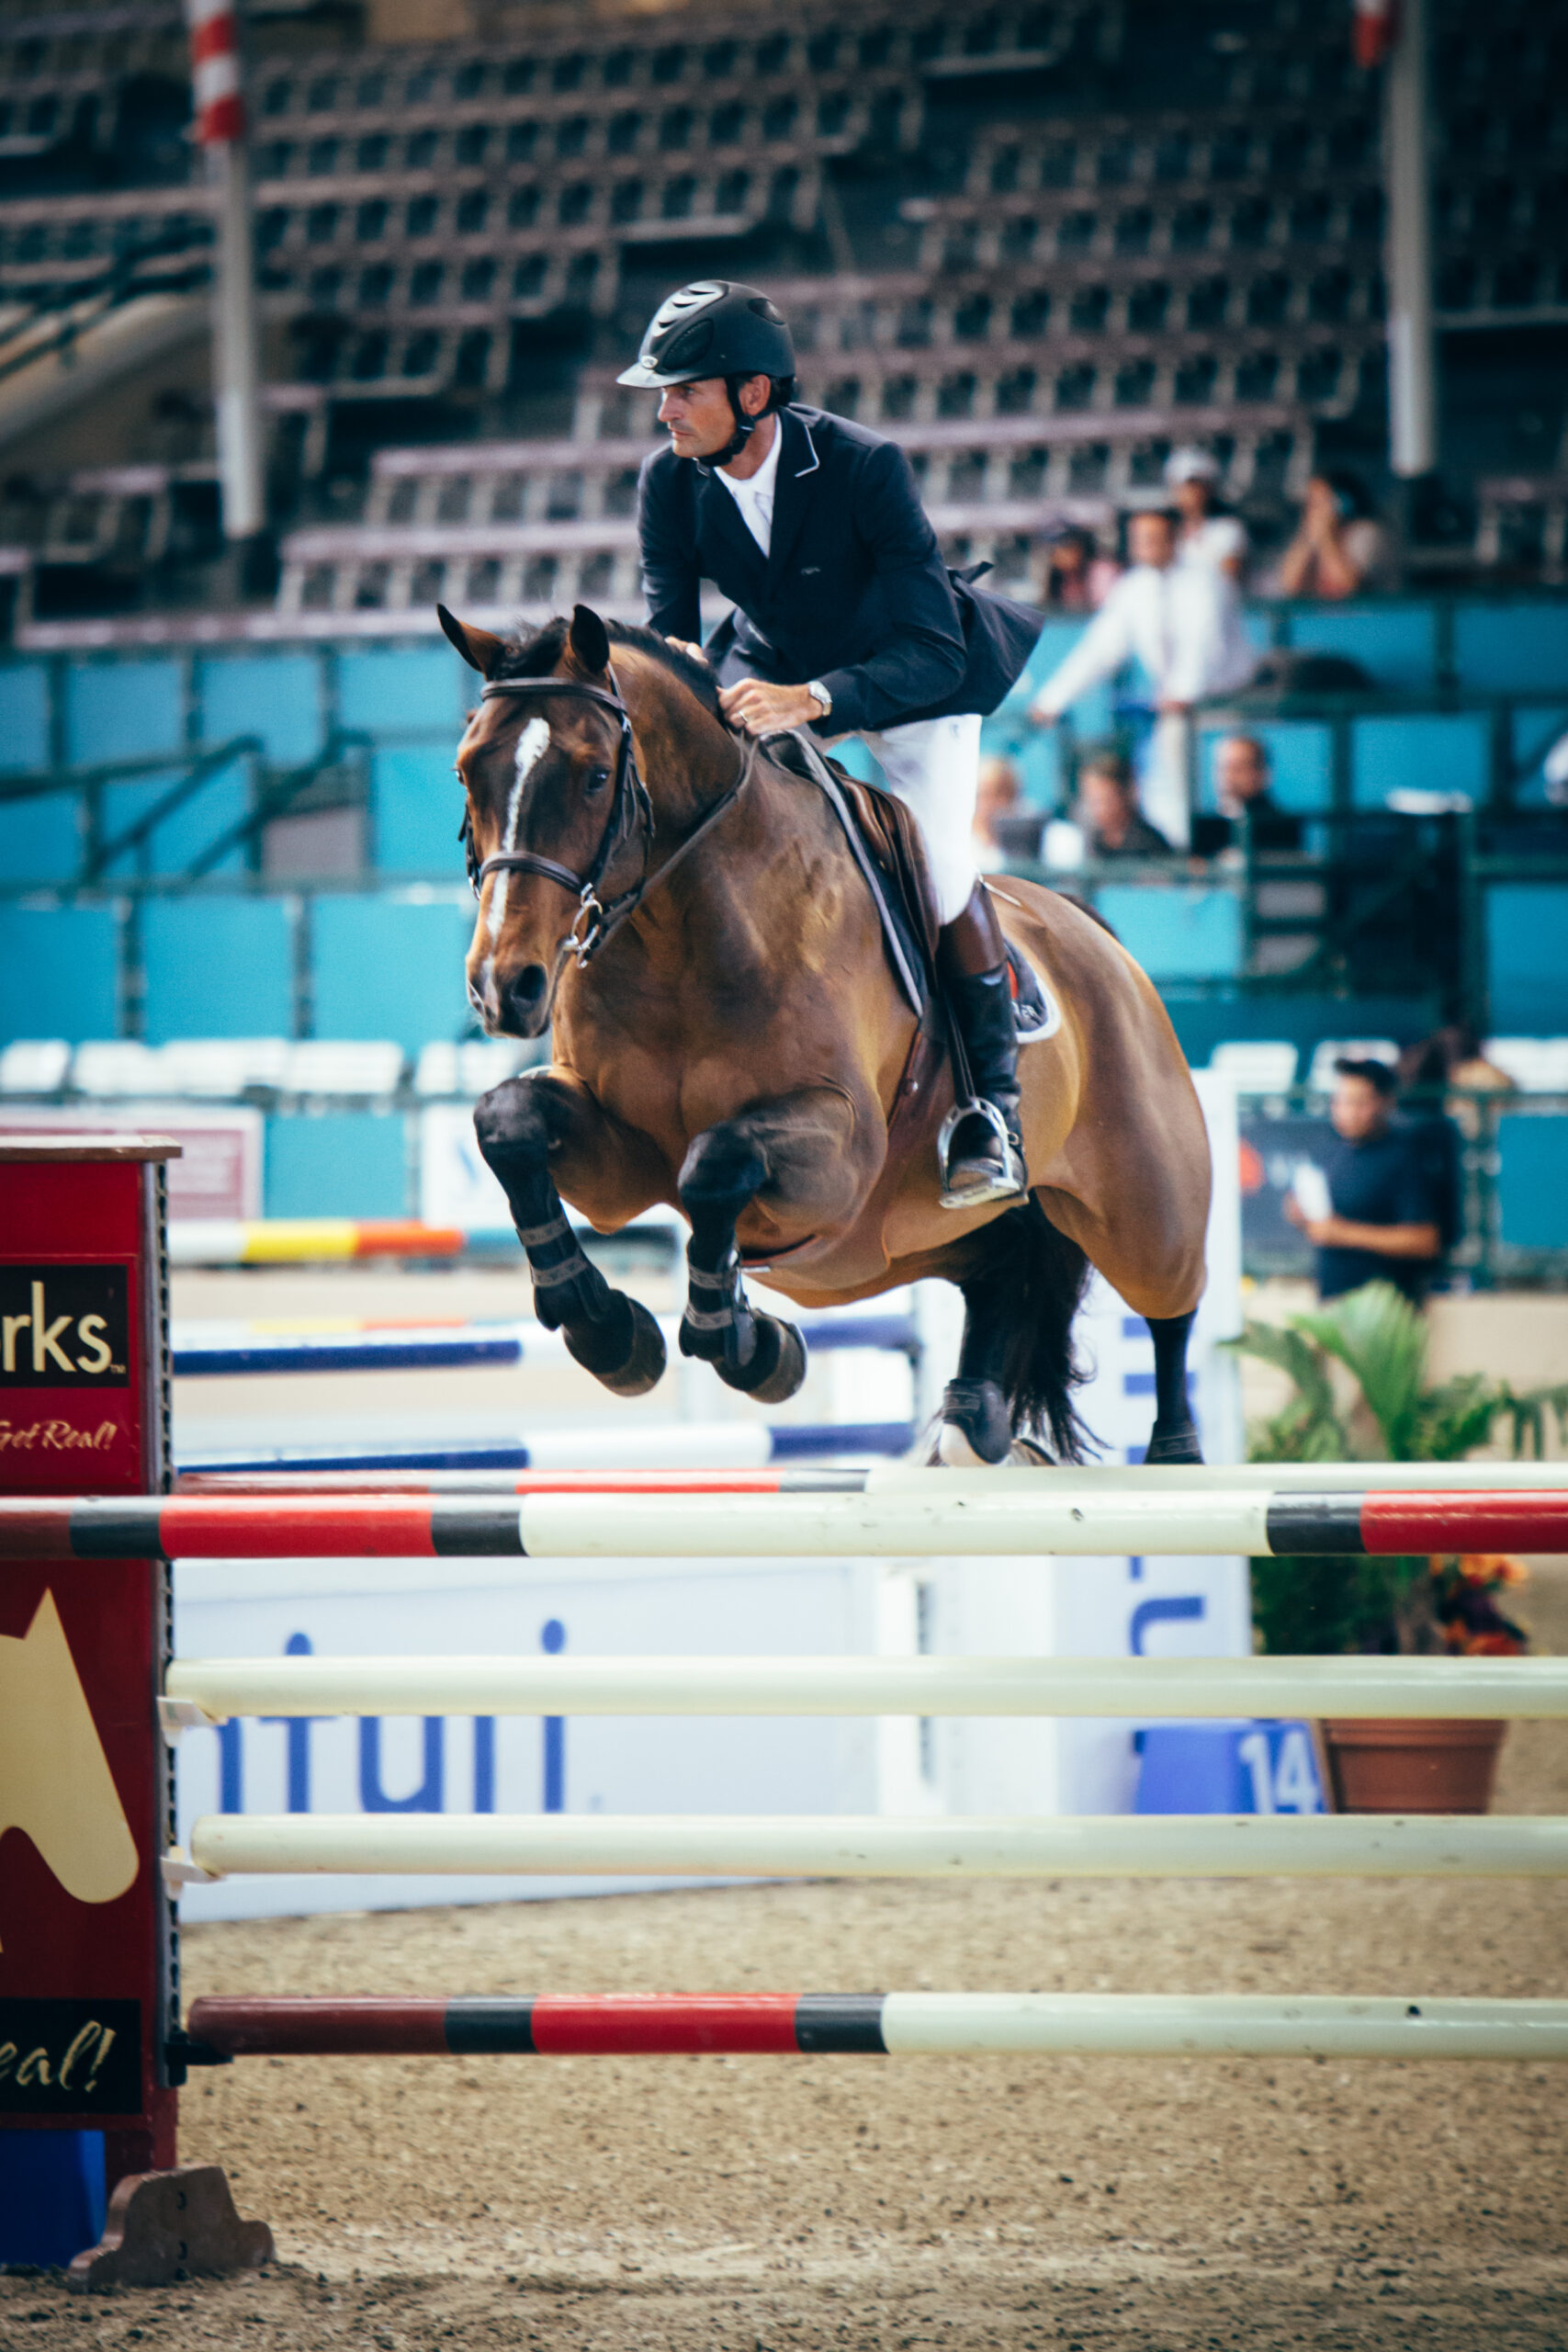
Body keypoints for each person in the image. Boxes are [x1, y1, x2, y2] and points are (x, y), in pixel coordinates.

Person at [627, 280, 1045, 1207]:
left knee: (937, 868)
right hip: (775, 671)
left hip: (909, 680)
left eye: (682, 390)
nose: (664, 411)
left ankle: (992, 1116)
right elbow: (671, 627)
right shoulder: (668, 480)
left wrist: (813, 700)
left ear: (752, 394)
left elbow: (933, 647)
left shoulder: (862, 465)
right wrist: (680, 670)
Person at [1027, 506, 1256, 847]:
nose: (1146, 545)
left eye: (1154, 537)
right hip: (1178, 713)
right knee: (1169, 780)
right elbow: (1098, 650)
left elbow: (1204, 646)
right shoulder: (1134, 588)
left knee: (1226, 790)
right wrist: (1052, 700)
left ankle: (1214, 856)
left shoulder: (1206, 580)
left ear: (1174, 537)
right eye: (1139, 538)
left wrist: (1183, 693)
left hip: (1228, 704)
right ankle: (1183, 852)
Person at [1286, 1057, 1445, 1303]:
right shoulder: (1330, 1152)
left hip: (1382, 1312)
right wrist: (1300, 1213)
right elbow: (1319, 1220)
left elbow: (1425, 1240)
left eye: (1359, 1103)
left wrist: (1343, 1233)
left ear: (1385, 1102)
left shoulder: (1405, 1158)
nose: (1348, 1112)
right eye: (1340, 1101)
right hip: (1333, 1304)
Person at [1274, 470, 1395, 600]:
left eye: (1319, 503)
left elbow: (1351, 589)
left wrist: (1326, 538)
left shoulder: (1367, 533)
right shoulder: (1313, 536)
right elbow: (1289, 586)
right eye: (1310, 503)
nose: (1311, 510)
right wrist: (1307, 541)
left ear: (1343, 504)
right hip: (1323, 618)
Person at [1210, 732, 1303, 852]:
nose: (1229, 776)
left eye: (1239, 768)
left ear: (1261, 773)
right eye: (1224, 767)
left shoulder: (1280, 826)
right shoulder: (1207, 826)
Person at [1166, 449, 1247, 584]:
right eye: (1179, 485)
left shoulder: (1228, 529)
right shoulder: (1169, 532)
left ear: (1209, 487)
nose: (1186, 492)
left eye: (1193, 485)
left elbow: (1229, 579)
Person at [1076, 745, 1171, 859]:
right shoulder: (1095, 841)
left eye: (1107, 800)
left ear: (1127, 795)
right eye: (1093, 801)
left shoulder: (1149, 843)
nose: (1100, 809)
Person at [1038, 521, 1119, 612]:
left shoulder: (1101, 572)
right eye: (1052, 550)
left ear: (1079, 547)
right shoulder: (1057, 579)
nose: (1057, 554)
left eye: (1064, 546)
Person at [973, 752, 1021, 862]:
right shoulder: (960, 842)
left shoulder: (1025, 840)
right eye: (986, 794)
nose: (997, 803)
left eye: (1005, 794)